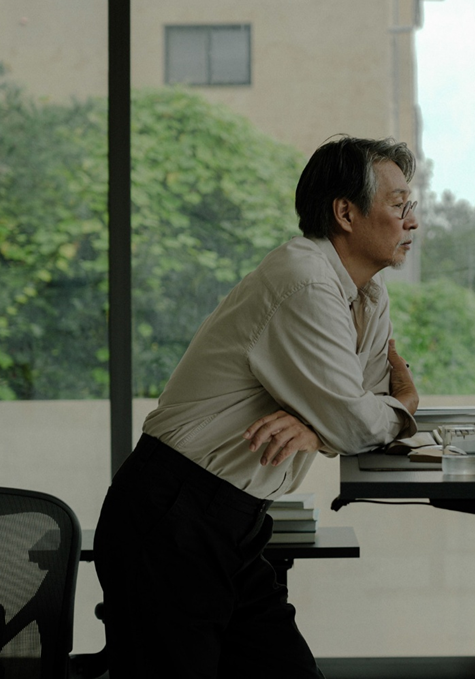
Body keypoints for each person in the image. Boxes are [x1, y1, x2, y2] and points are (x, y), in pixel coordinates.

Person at [93, 136, 420, 678]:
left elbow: (355, 411)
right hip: (173, 514)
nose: (413, 221)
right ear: (345, 213)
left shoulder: (368, 296)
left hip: (234, 522)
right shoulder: (305, 279)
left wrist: (320, 427)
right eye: (398, 203)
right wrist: (397, 405)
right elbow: (359, 420)